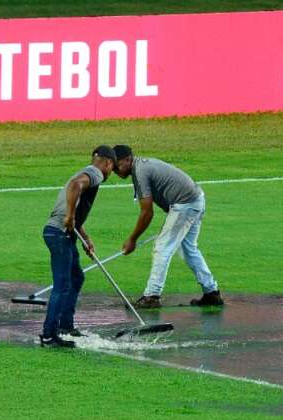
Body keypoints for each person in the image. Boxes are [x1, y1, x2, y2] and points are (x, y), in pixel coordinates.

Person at [113, 145, 223, 308]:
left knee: (162, 247)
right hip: (196, 199)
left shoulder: (140, 171)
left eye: (116, 165)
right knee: (188, 249)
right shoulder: (141, 166)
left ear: (128, 159)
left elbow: (147, 212)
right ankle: (211, 292)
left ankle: (152, 296)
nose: (114, 170)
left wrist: (132, 239)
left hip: (185, 204)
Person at [39, 146, 116, 348]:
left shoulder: (87, 171)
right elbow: (75, 186)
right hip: (60, 233)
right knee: (62, 284)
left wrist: (85, 237)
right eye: (112, 167)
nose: (110, 172)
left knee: (76, 277)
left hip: (60, 232)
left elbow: (73, 208)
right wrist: (70, 216)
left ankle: (65, 326)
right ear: (108, 163)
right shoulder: (95, 172)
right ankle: (49, 334)